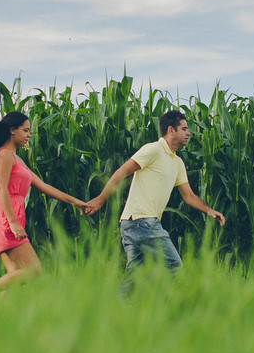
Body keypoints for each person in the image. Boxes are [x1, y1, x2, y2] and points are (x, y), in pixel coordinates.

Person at [84, 109, 225, 283]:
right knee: (173, 265)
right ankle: (151, 297)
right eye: (184, 129)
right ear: (171, 130)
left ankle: (120, 307)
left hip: (132, 224)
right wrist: (100, 199)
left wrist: (209, 210)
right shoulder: (153, 150)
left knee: (133, 278)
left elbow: (188, 195)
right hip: (142, 221)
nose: (188, 133)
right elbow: (123, 171)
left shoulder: (177, 162)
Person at [0, 111, 86, 299]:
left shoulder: (17, 158)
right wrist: (13, 222)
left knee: (15, 277)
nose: (29, 135)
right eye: (25, 130)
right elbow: (1, 188)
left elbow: (43, 186)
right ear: (12, 131)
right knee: (33, 270)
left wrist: (74, 202)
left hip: (5, 217)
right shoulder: (5, 154)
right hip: (4, 218)